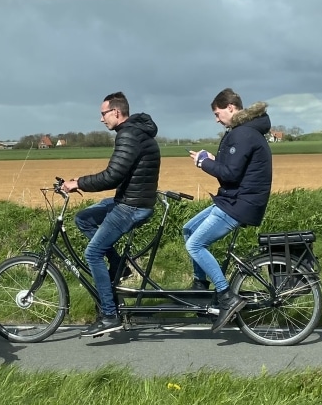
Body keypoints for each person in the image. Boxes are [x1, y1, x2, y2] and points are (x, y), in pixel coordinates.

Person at [61, 91, 161, 338]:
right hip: (130, 200)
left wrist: (79, 183)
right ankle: (119, 266)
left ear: (116, 112)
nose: (101, 119)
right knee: (83, 218)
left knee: (93, 253)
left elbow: (113, 175)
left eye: (103, 114)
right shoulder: (134, 132)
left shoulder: (129, 135)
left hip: (132, 205)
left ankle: (109, 315)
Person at [185, 88, 273, 332]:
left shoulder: (243, 134)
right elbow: (233, 169)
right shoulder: (247, 131)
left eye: (217, 113)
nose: (216, 119)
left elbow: (230, 175)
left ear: (231, 108)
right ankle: (200, 288)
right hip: (235, 199)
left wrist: (204, 163)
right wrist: (213, 159)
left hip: (239, 204)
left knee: (194, 244)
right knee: (188, 228)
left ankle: (226, 297)